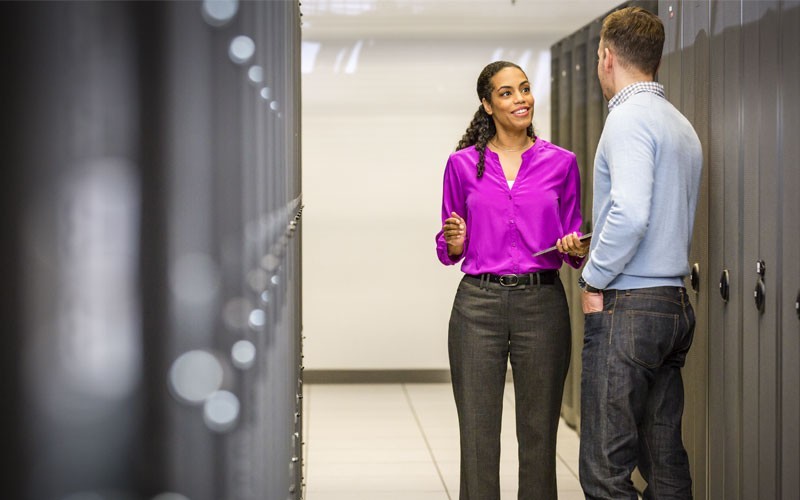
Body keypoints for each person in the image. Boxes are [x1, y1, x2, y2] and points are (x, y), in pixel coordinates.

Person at [435, 60, 589, 500]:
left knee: (540, 437)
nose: (520, 99)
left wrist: (574, 247)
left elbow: (572, 235)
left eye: (524, 89)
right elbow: (448, 246)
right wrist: (455, 240)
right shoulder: (461, 165)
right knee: (478, 439)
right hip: (477, 306)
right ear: (487, 104)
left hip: (541, 305)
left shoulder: (561, 163)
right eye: (506, 93)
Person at [577, 7, 703, 500]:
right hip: (672, 304)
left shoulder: (626, 120)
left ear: (607, 57)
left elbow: (630, 214)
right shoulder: (678, 124)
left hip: (630, 307)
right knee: (665, 459)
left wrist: (593, 278)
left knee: (606, 470)